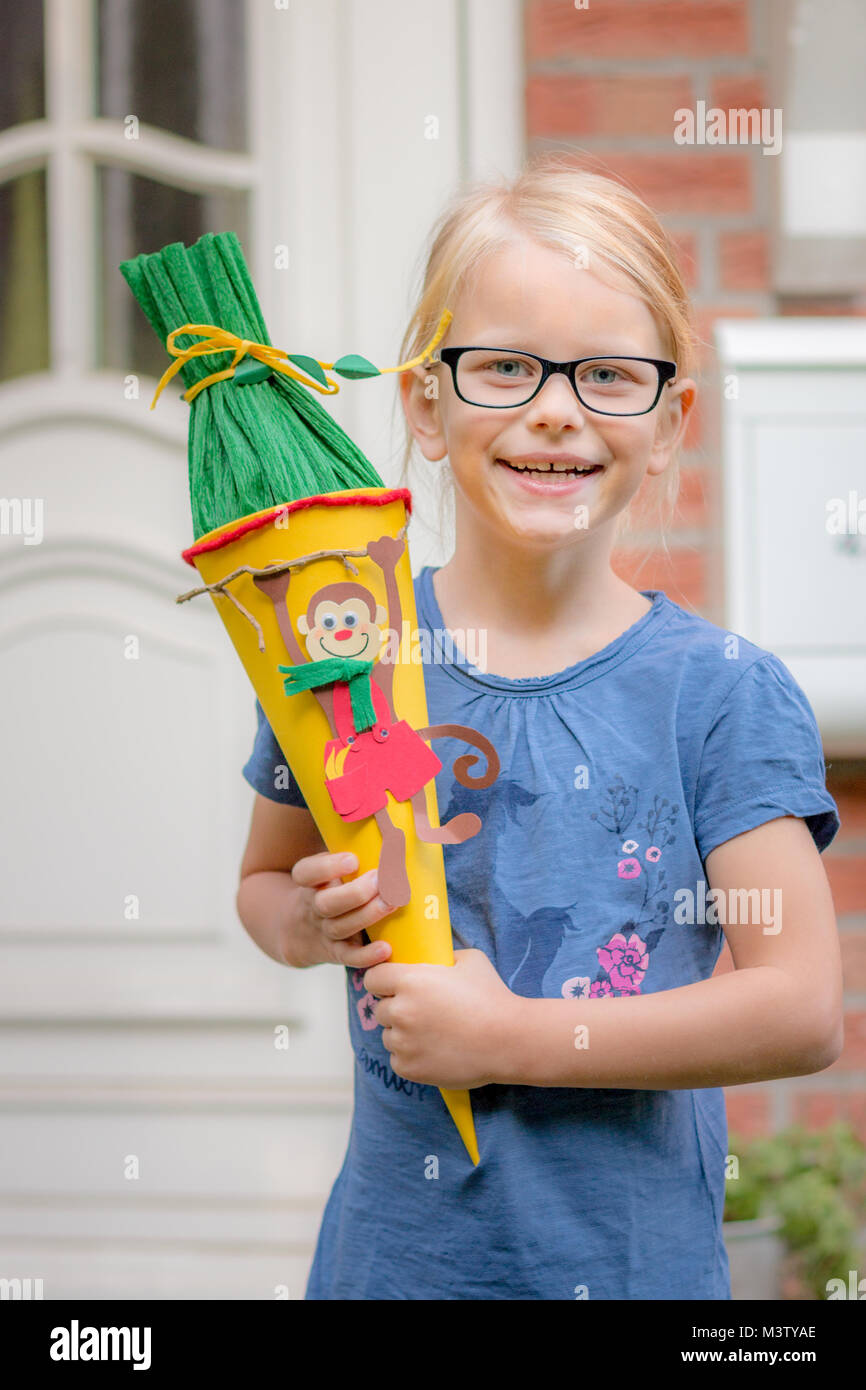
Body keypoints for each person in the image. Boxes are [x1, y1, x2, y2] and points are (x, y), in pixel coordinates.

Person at [235, 155, 843, 1300]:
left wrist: (509, 1037)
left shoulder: (717, 693)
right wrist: (310, 924)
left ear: (668, 422)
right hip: (390, 1272)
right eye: (505, 366)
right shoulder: (349, 654)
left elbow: (799, 1008)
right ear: (425, 404)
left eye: (606, 374)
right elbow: (262, 887)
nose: (554, 409)